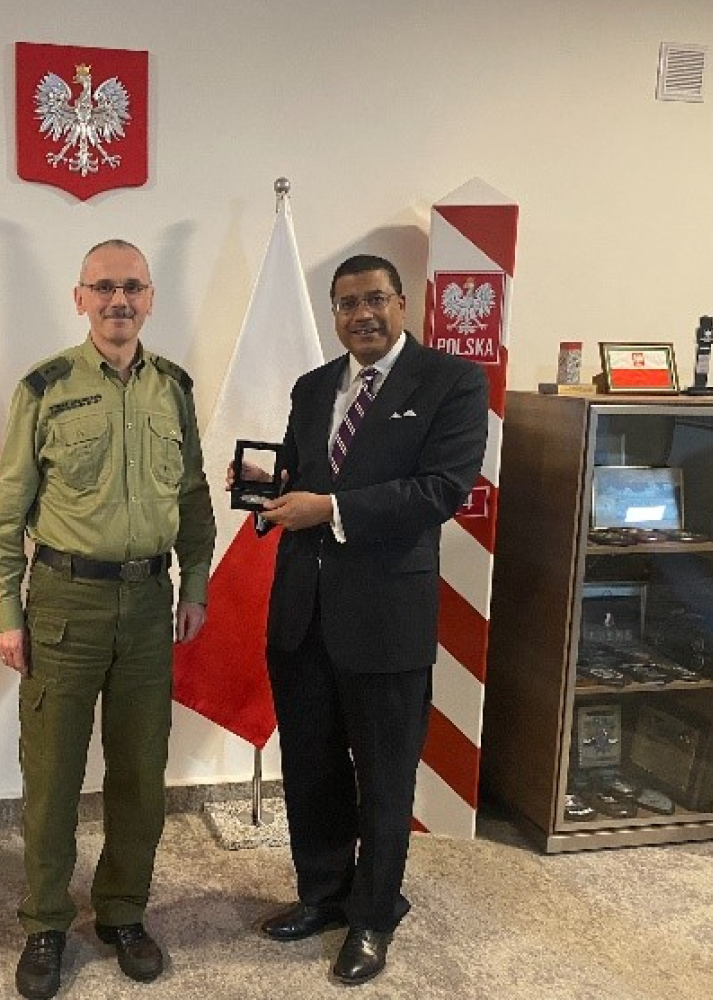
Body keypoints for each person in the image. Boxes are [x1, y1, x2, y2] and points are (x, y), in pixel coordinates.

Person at [237, 254, 488, 986]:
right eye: (347, 304)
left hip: (385, 616)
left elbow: (441, 488)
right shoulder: (315, 386)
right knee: (311, 766)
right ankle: (323, 896)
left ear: (402, 303)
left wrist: (333, 510)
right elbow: (303, 474)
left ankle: (374, 916)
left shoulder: (451, 382)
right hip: (302, 611)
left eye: (375, 299)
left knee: (383, 777)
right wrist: (266, 488)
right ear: (335, 314)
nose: (362, 315)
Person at [0, 239, 215, 1000]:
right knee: (51, 774)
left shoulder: (173, 388)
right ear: (79, 298)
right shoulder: (44, 387)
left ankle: (122, 911)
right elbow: (6, 509)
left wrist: (197, 582)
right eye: (104, 287)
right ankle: (47, 919)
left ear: (151, 299)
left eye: (133, 288)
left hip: (149, 604)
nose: (119, 301)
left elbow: (195, 497)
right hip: (64, 606)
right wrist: (6, 613)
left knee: (142, 772)